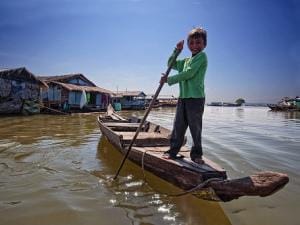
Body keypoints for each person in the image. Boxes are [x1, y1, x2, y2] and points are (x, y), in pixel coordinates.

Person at [160, 27, 208, 164]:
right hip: (183, 98)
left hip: (196, 98)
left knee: (195, 127)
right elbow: (170, 63)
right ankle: (173, 151)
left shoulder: (202, 57)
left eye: (198, 43)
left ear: (204, 44)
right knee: (178, 126)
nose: (195, 46)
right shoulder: (185, 61)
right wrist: (176, 50)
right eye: (191, 43)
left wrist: (168, 80)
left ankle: (197, 155)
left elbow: (189, 74)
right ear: (188, 45)